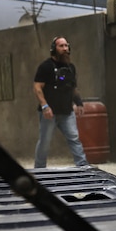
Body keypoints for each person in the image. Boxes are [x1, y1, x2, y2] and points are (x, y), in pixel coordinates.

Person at [33, 36, 89, 168]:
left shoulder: (71, 68)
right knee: (45, 143)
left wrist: (79, 102)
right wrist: (45, 106)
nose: (65, 49)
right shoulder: (45, 66)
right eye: (61, 46)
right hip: (49, 113)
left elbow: (72, 88)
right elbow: (37, 87)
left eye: (66, 46)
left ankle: (83, 166)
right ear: (54, 49)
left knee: (74, 138)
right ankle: (39, 169)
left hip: (67, 111)